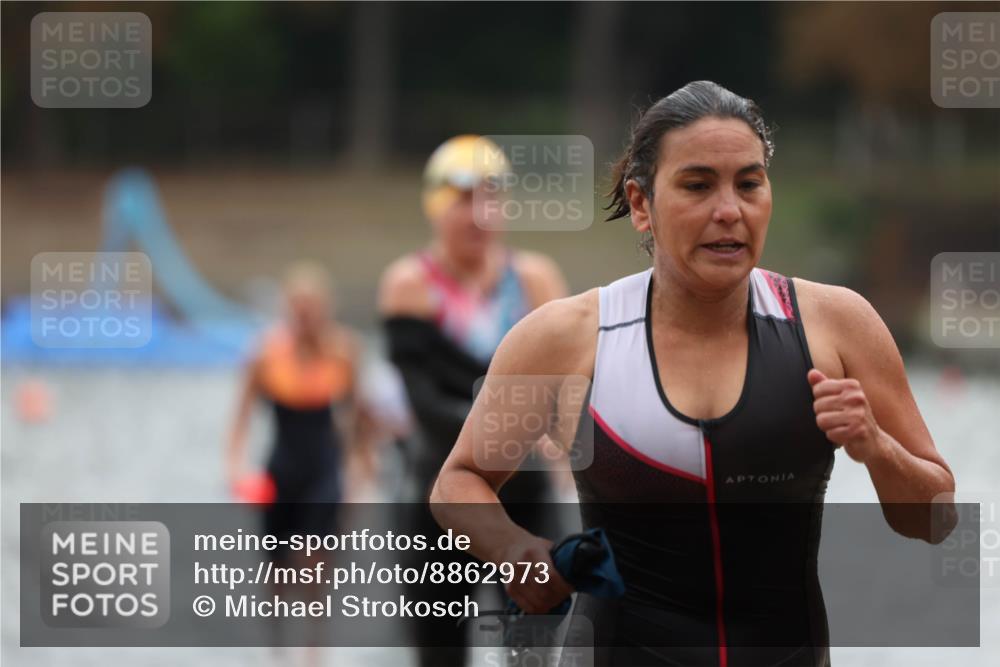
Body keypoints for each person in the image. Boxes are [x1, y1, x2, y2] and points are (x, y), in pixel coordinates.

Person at [429, 82, 956, 666]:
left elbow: (936, 521)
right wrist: (514, 550)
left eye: (749, 184)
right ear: (640, 205)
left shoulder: (838, 326)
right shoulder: (566, 340)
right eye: (698, 185)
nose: (729, 210)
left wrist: (876, 446)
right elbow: (459, 480)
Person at [378, 134, 569, 667]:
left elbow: (568, 389)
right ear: (436, 205)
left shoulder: (535, 279)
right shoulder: (409, 284)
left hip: (527, 500)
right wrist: (523, 427)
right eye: (463, 198)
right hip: (437, 502)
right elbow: (426, 406)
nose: (477, 213)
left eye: (490, 196)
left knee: (535, 653)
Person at [227, 262, 370, 662]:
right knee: (276, 569)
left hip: (325, 468)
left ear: (326, 308)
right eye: (298, 305)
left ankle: (313, 647)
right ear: (286, 308)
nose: (305, 314)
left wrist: (361, 471)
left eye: (312, 305)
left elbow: (360, 420)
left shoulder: (345, 351)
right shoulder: (265, 355)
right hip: (281, 469)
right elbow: (240, 418)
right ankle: (276, 649)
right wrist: (235, 468)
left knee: (315, 561)